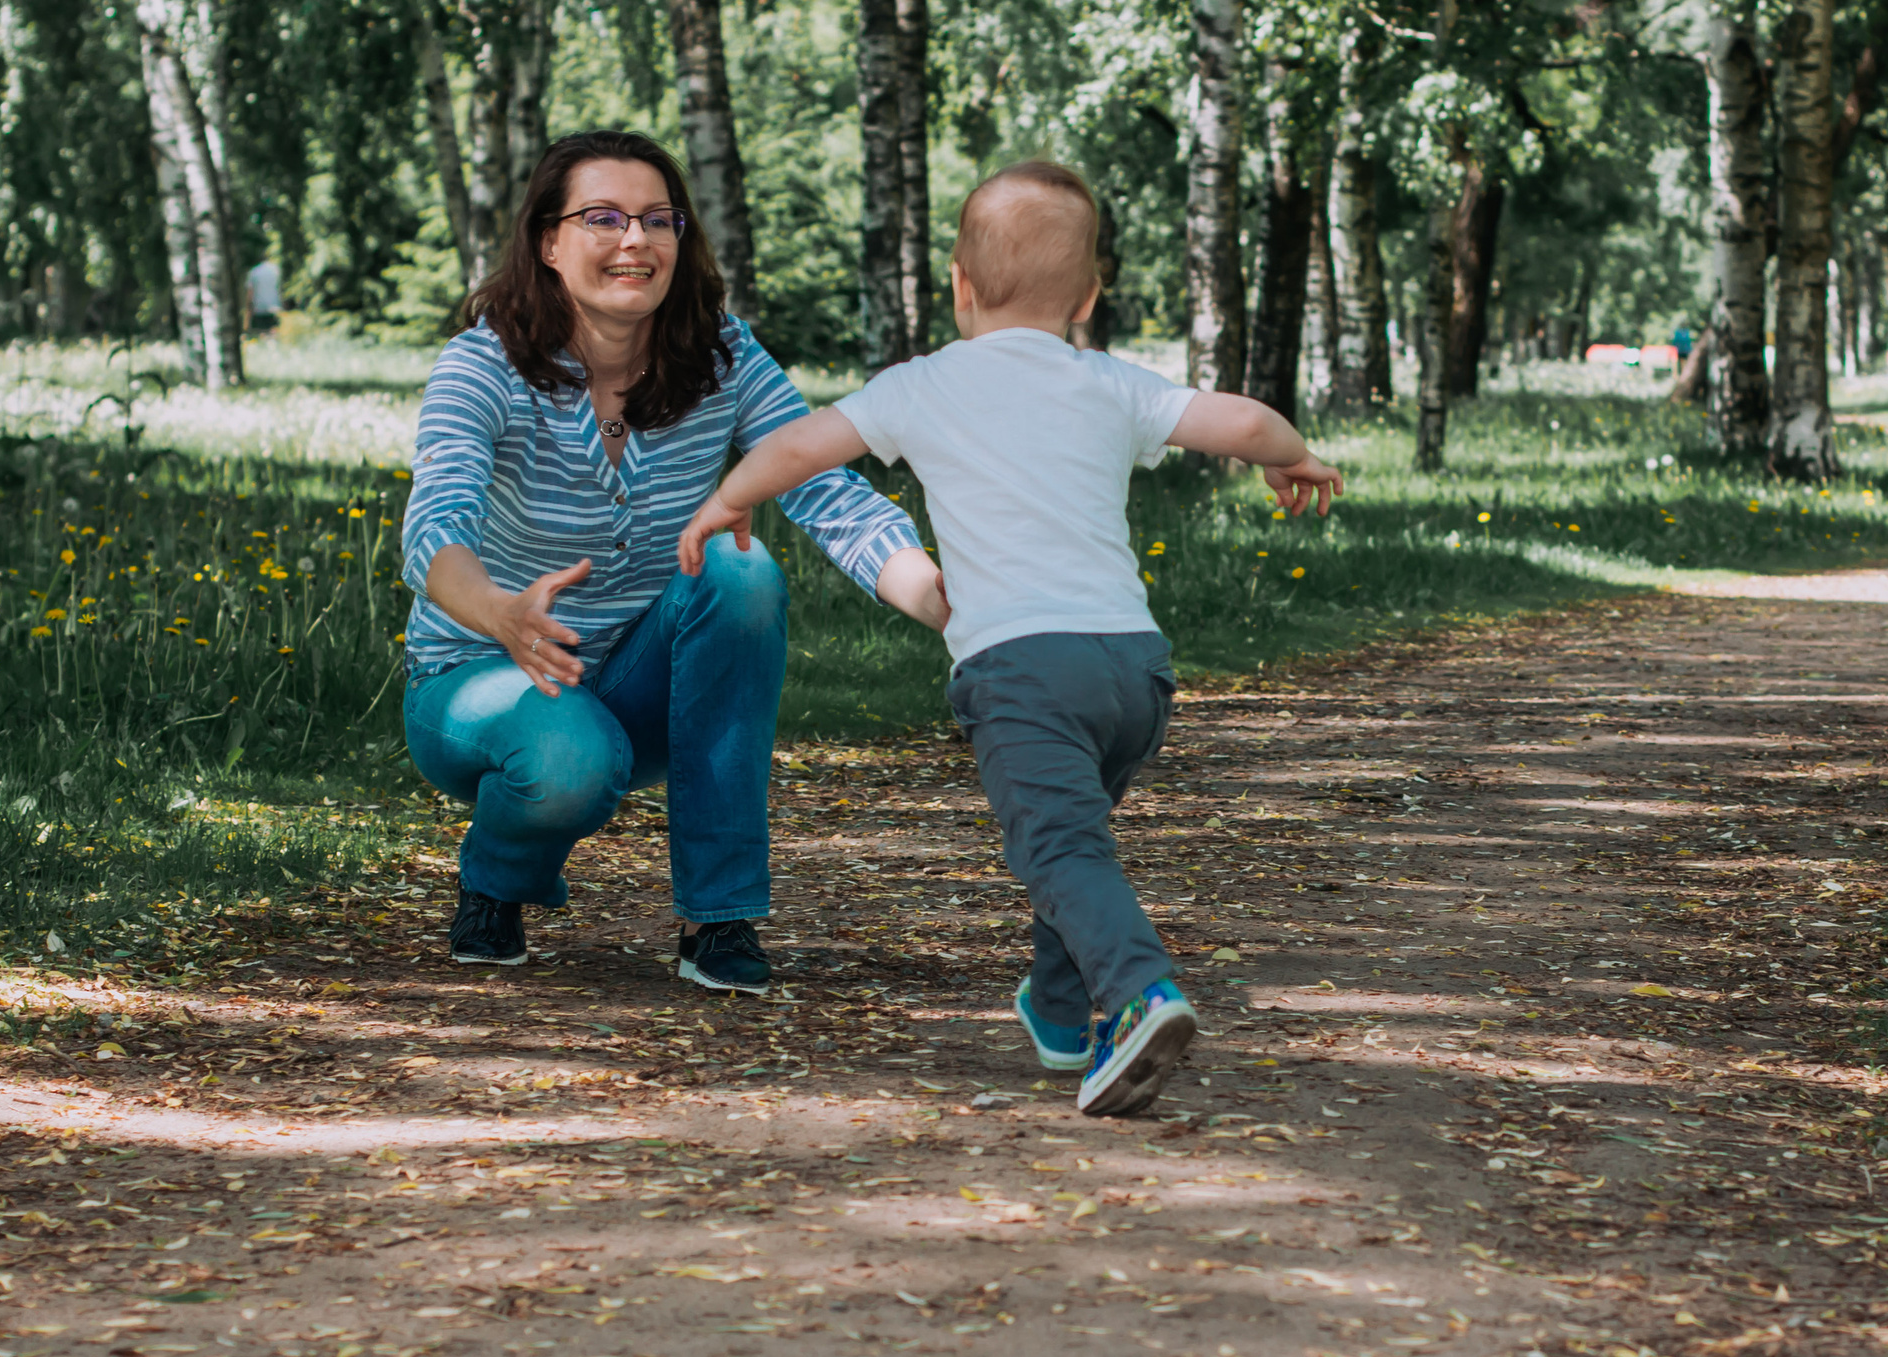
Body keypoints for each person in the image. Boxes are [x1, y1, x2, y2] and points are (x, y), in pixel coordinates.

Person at [679, 161, 1343, 1115]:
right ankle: (1063, 1012)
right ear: (1088, 295)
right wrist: (1293, 457)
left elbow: (799, 447)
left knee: (1060, 846)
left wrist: (726, 499)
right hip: (1133, 673)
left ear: (958, 284)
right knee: (1068, 838)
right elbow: (1242, 419)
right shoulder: (1110, 381)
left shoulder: (921, 384)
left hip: (1023, 671)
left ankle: (1139, 990)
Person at [399, 130, 948, 993]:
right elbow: (435, 526)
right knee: (569, 761)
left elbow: (824, 490)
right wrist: (502, 612)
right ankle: (495, 878)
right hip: (479, 676)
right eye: (603, 217)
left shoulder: (722, 355)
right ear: (548, 240)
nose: (635, 240)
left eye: (659, 219)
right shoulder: (485, 364)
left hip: (641, 678)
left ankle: (720, 919)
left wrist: (946, 601)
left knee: (742, 567)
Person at [246, 258, 283, 333]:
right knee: (274, 332)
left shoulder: (254, 272)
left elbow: (250, 293)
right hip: (274, 307)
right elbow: (280, 289)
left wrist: (249, 310)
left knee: (262, 333)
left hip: (259, 309)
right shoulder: (276, 270)